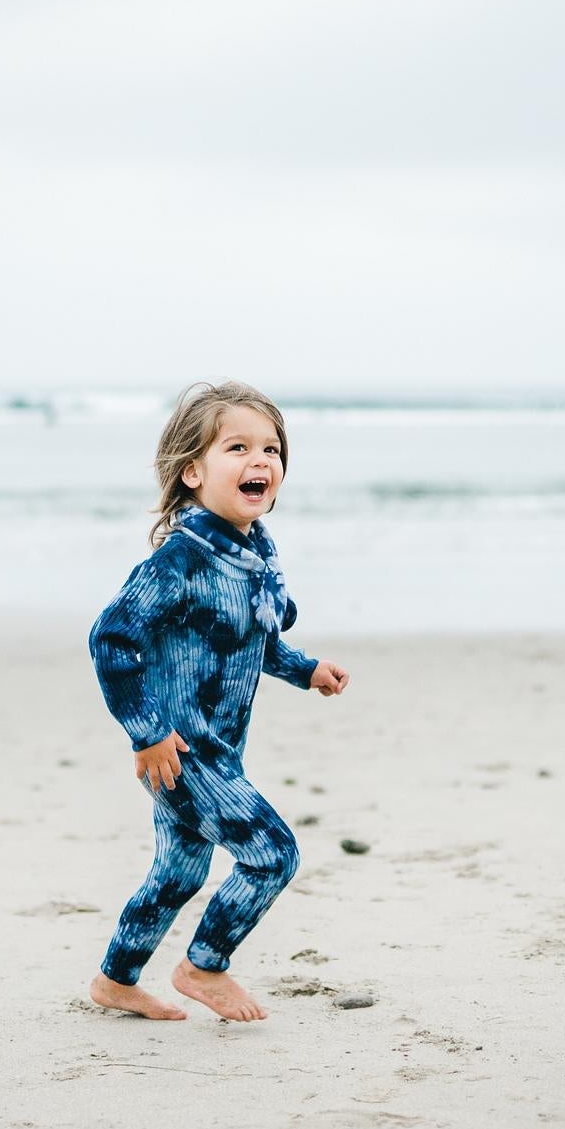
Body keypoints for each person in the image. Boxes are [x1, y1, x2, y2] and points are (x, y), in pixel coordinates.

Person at [86, 381, 351, 1021]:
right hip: (180, 749)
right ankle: (203, 966)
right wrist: (146, 733)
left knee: (179, 873)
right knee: (272, 854)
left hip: (218, 749)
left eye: (271, 448)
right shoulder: (183, 557)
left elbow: (251, 641)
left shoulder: (253, 554)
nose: (260, 460)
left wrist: (304, 668)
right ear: (193, 470)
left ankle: (116, 980)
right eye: (238, 446)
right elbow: (112, 638)